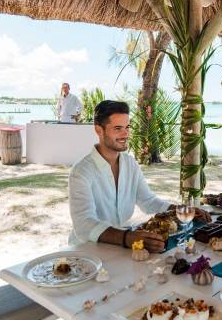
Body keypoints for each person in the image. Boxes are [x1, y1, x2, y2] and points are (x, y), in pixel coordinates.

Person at [68, 100, 210, 252]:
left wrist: (180, 211)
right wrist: (127, 237)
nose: (125, 134)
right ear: (99, 130)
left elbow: (148, 201)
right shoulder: (81, 172)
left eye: (127, 127)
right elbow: (84, 224)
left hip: (119, 249)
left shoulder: (130, 164)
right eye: (118, 128)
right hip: (86, 251)